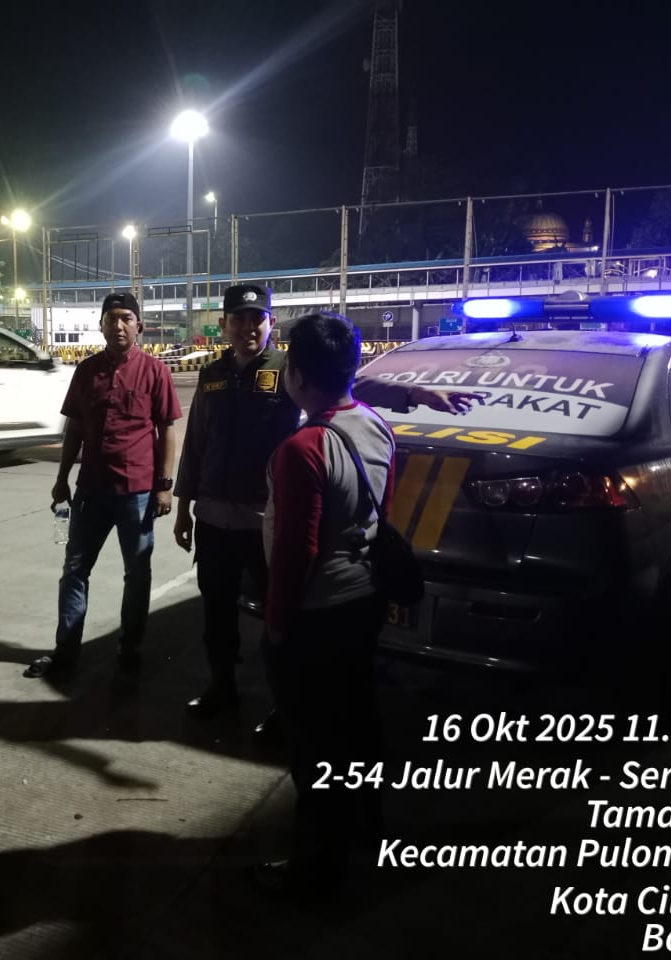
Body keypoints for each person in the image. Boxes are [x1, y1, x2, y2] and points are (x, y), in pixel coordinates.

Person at [174, 284, 477, 727]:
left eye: (257, 319)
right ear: (224, 324)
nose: (248, 328)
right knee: (216, 612)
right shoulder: (211, 374)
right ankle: (222, 687)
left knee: (281, 615)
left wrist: (415, 394)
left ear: (271, 324)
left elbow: (349, 381)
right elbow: (197, 442)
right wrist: (183, 504)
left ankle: (284, 707)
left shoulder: (290, 368)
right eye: (238, 319)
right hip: (214, 517)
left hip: (265, 518)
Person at [247, 310, 394, 900]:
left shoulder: (303, 448)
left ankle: (316, 869)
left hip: (317, 614)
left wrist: (277, 625)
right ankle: (367, 831)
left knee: (314, 748)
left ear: (299, 376)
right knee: (357, 726)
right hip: (363, 599)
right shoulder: (374, 425)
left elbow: (295, 552)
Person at [25, 292, 182, 678]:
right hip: (90, 491)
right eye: (111, 319)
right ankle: (66, 652)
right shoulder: (87, 371)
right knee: (75, 570)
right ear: (101, 326)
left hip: (137, 493)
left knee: (137, 574)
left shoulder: (155, 372)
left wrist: (164, 486)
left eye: (126, 318)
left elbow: (167, 430)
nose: (119, 325)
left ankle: (129, 649)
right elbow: (75, 428)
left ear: (139, 325)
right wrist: (61, 479)